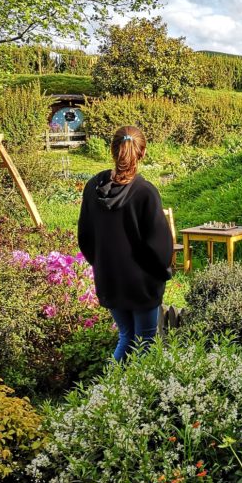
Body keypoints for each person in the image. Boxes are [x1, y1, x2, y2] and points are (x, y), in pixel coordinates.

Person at [78, 125, 172, 362]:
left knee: (126, 336)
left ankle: (110, 392)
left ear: (112, 150)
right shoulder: (146, 193)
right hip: (142, 283)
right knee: (146, 340)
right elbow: (159, 246)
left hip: (109, 279)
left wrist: (102, 263)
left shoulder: (92, 188)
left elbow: (85, 237)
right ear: (142, 152)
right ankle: (141, 397)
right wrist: (161, 273)